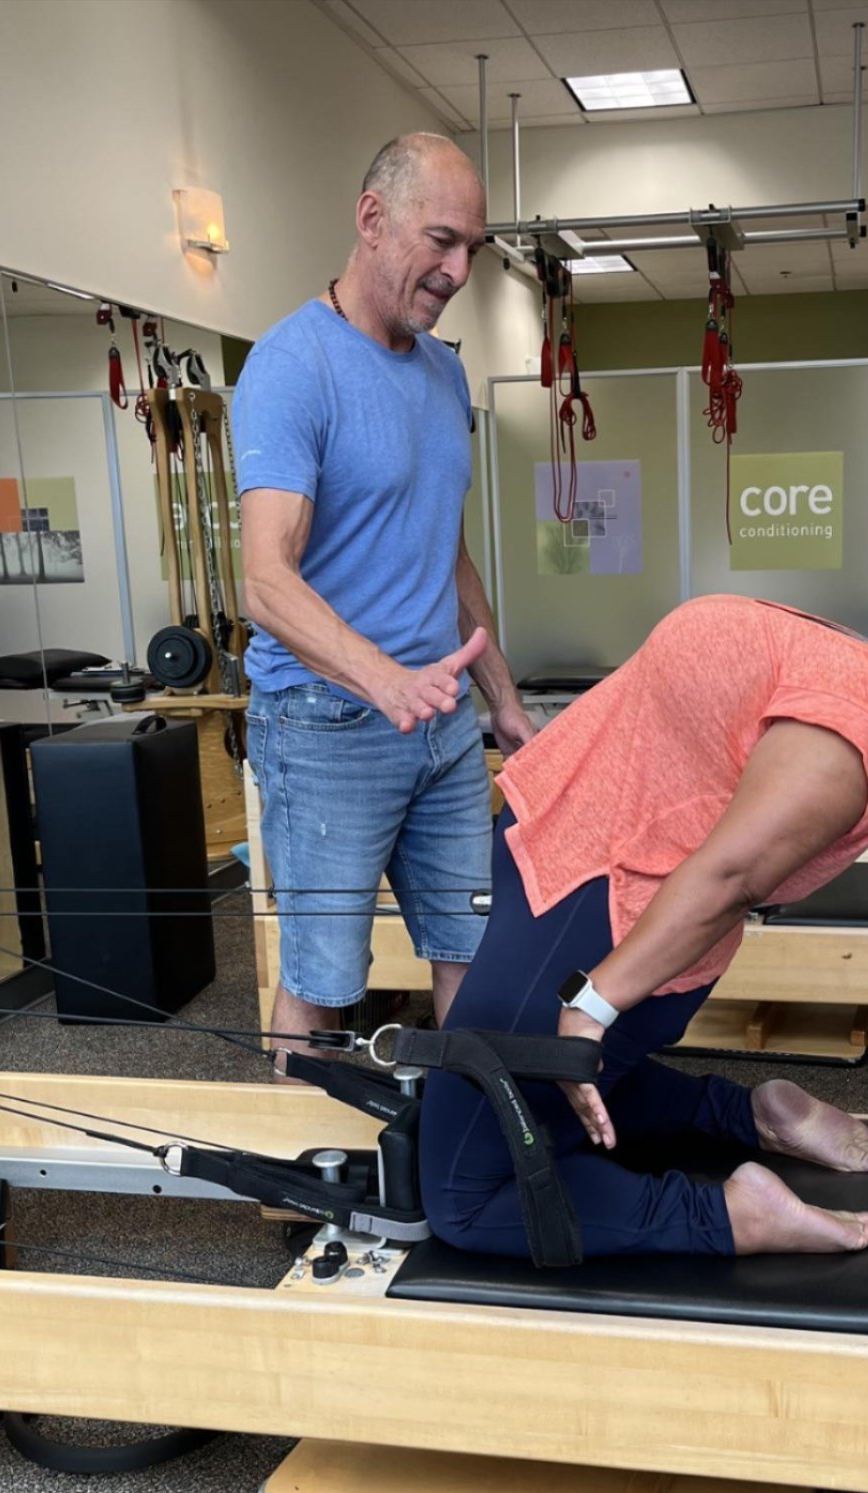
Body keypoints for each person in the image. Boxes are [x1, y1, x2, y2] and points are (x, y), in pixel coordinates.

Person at [419, 585, 868, 1260]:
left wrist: (591, 1004)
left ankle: (731, 1218)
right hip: (576, 895)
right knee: (553, 1089)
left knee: (466, 1196)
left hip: (594, 924)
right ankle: (747, 1117)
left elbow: (732, 878)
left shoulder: (866, 718)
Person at [234, 134, 535, 1051]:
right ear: (371, 219)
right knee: (323, 981)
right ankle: (304, 1190)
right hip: (325, 725)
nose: (455, 271)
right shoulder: (293, 367)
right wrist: (383, 681)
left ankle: (469, 1163)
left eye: (471, 251)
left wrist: (505, 705)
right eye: (440, 241)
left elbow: (445, 551)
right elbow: (264, 578)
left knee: (470, 956)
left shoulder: (443, 372)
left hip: (440, 725)